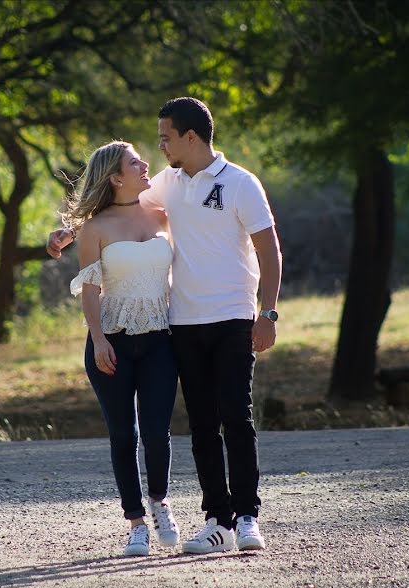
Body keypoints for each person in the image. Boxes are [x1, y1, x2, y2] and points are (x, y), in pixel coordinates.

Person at [48, 97, 282, 554]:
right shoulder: (167, 185)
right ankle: (218, 520)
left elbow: (270, 250)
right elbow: (117, 212)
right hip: (182, 323)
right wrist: (67, 232)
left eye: (165, 138)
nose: (159, 147)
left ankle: (248, 516)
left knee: (236, 416)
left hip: (235, 315)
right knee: (201, 426)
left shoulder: (241, 184)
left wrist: (267, 311)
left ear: (189, 137)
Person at [65, 140, 181, 557]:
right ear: (116, 177)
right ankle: (135, 523)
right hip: (110, 341)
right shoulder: (96, 229)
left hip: (160, 340)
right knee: (122, 434)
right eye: (135, 162)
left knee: (156, 430)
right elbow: (91, 289)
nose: (145, 163)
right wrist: (97, 339)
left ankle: (160, 504)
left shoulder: (165, 214)